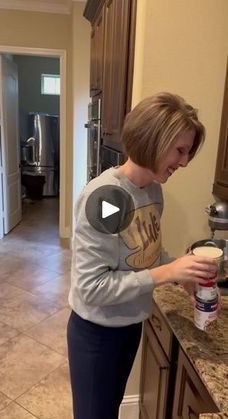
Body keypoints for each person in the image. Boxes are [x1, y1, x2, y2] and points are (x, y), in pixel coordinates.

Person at [67, 92, 218, 419]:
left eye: (188, 152)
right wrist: (167, 273)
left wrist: (183, 274)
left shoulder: (152, 190)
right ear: (152, 140)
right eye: (180, 150)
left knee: (109, 409)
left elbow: (147, 254)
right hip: (98, 334)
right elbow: (91, 288)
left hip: (129, 323)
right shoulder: (108, 199)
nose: (185, 162)